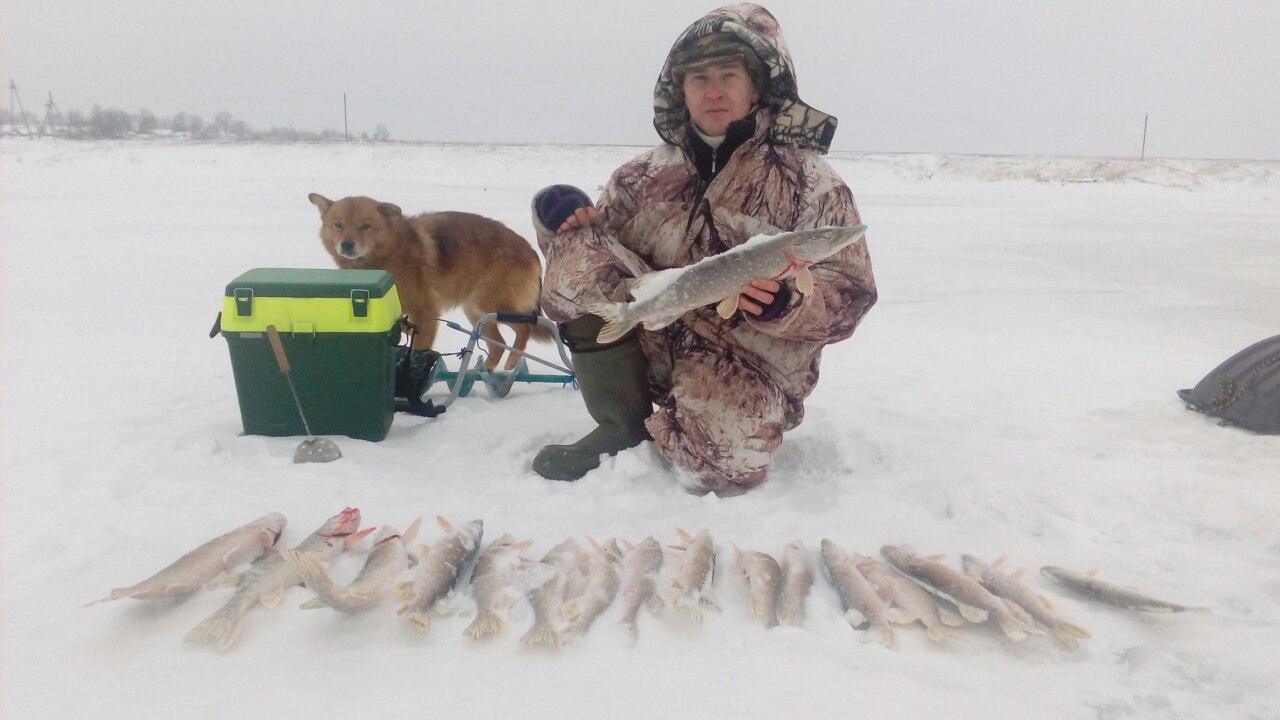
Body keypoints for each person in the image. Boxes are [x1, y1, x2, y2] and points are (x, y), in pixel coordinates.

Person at [529, 3, 877, 496]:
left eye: (728, 75)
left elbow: (852, 294)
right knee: (579, 257)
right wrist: (555, 219)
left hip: (744, 361)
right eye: (699, 78)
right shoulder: (639, 177)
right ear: (681, 90)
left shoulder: (810, 180)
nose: (713, 91)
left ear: (756, 86)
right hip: (652, 335)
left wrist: (787, 304)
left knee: (721, 467)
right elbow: (581, 266)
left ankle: (696, 421)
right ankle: (620, 423)